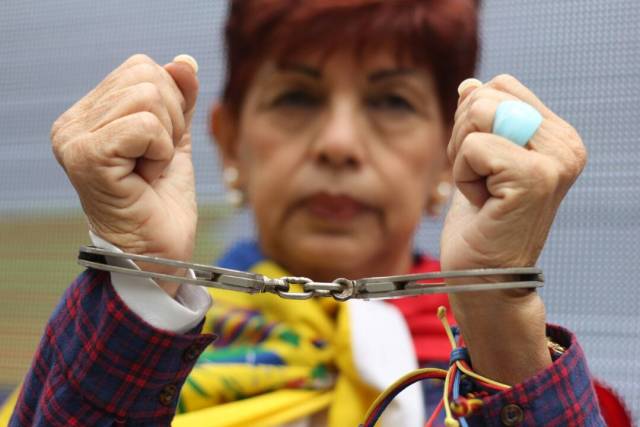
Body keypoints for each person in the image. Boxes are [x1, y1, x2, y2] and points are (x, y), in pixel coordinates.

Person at [2, 0, 631, 425]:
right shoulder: (99, 359)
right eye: (297, 97)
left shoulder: (536, 380)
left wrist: (499, 310)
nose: (338, 143)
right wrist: (140, 270)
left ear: (449, 154)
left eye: (392, 102)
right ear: (228, 141)